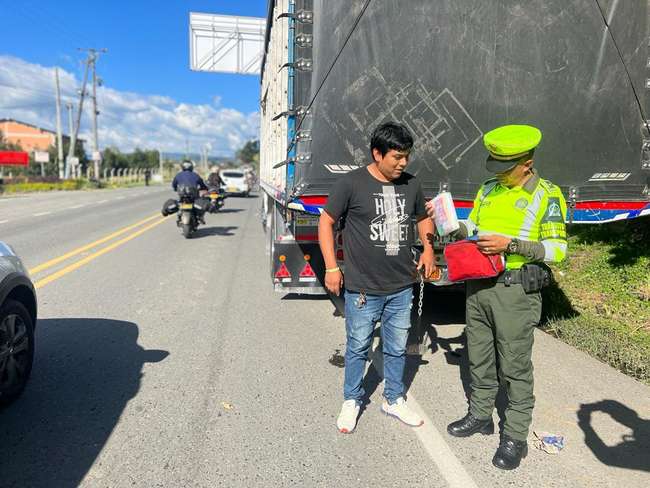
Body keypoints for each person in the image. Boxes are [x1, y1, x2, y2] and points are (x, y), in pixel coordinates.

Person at [427, 125, 567, 470]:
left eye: (507, 167)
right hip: (479, 287)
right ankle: (480, 416)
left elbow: (558, 250)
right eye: (496, 165)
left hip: (515, 291)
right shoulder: (488, 189)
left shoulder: (546, 195)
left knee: (515, 366)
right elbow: (471, 229)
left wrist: (511, 245)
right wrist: (448, 222)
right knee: (478, 356)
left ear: (527, 163)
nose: (499, 173)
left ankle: (515, 438)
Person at [318, 122, 436, 434]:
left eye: (406, 156)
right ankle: (352, 399)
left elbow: (423, 218)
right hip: (362, 288)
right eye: (397, 157)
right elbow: (326, 222)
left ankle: (394, 399)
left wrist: (428, 249)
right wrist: (332, 267)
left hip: (401, 286)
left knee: (397, 346)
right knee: (358, 346)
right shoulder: (351, 184)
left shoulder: (411, 184)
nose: (403, 163)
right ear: (377, 153)